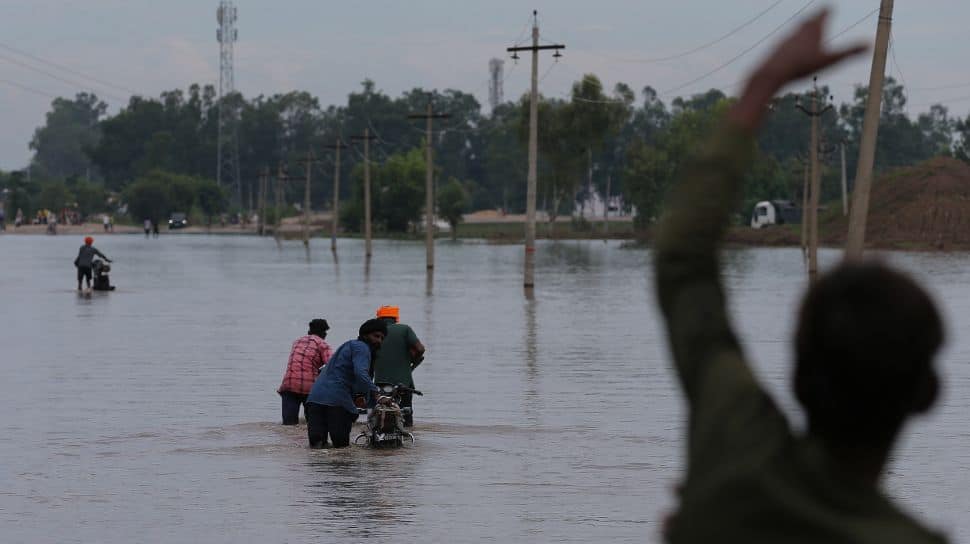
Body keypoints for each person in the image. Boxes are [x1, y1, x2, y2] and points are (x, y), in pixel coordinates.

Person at [653, 11, 947, 543]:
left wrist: (762, 85)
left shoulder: (734, 460)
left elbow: (682, 262)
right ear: (926, 394)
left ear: (796, 371)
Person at [305, 319, 389, 448]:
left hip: (314, 399)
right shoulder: (363, 348)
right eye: (376, 336)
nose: (379, 341)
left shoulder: (348, 345)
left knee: (317, 448)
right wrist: (378, 394)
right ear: (365, 335)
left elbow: (332, 371)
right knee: (342, 450)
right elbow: (360, 374)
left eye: (382, 338)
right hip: (337, 401)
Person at [372, 305, 426, 427]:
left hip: (380, 383)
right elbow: (420, 349)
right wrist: (412, 361)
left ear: (379, 319)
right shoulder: (404, 329)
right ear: (396, 318)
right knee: (406, 417)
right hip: (403, 384)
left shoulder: (374, 334)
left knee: (376, 415)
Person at [277, 319, 333, 425]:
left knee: (289, 425)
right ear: (324, 333)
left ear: (309, 331)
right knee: (313, 424)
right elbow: (332, 366)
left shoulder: (297, 342)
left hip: (288, 385)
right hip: (309, 388)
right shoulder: (323, 345)